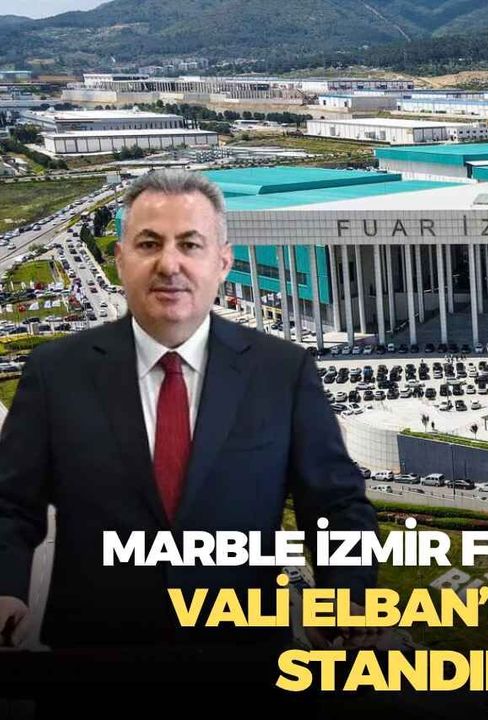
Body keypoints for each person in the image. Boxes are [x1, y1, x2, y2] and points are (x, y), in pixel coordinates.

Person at [0, 170, 379, 705]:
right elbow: (10, 505)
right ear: (119, 260)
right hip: (91, 671)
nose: (169, 264)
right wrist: (6, 588)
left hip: (244, 667)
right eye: (148, 244)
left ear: (222, 262)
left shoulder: (282, 371)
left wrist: (346, 595)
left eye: (190, 244)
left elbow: (336, 504)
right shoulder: (55, 372)